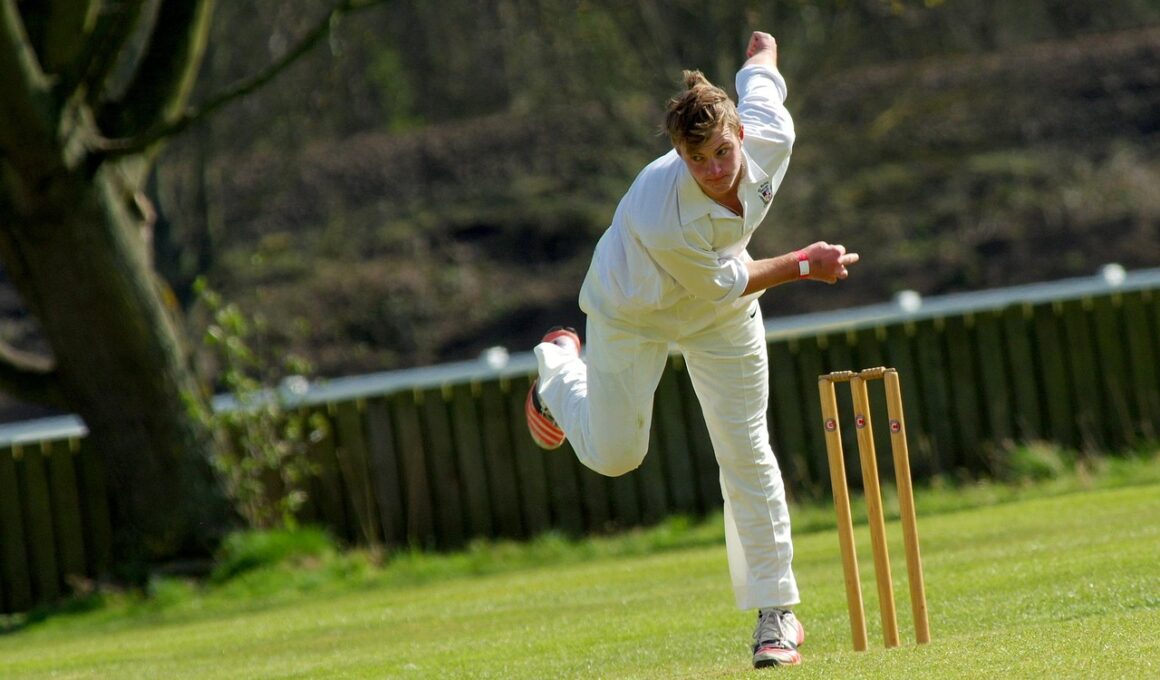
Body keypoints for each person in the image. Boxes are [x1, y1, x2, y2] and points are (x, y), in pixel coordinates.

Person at [525, 30, 859, 669]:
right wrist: (802, 263)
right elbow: (724, 281)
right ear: (679, 152)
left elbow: (761, 84)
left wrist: (762, 53)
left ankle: (776, 615)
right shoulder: (662, 211)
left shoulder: (771, 137)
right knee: (616, 455)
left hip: (721, 313)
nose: (714, 170)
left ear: (741, 135)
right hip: (633, 308)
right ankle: (559, 368)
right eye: (696, 157)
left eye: (723, 151)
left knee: (745, 447)